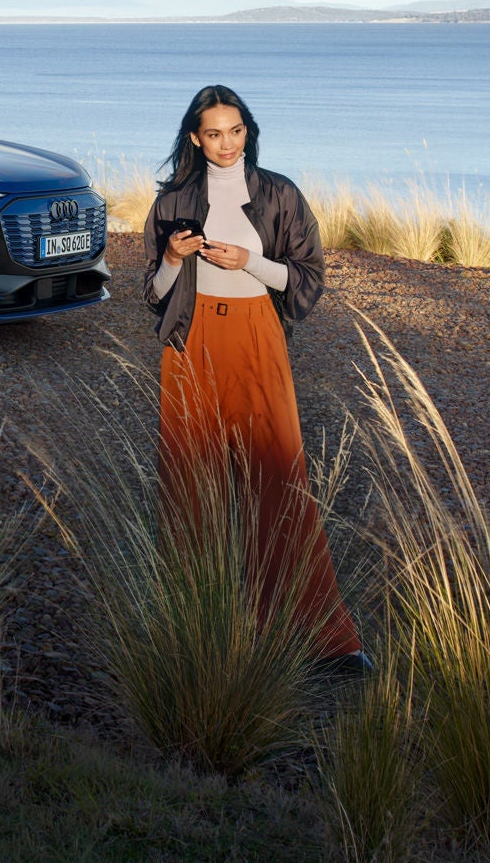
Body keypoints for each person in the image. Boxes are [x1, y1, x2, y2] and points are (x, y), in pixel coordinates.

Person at [143, 84, 369, 671]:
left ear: (248, 131)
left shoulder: (278, 195)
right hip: (191, 344)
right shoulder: (172, 200)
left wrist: (252, 264)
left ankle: (323, 636)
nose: (226, 143)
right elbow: (153, 294)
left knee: (277, 473)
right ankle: (195, 625)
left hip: (255, 335)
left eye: (235, 130)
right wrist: (172, 260)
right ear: (195, 137)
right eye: (213, 133)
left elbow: (308, 278)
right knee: (190, 477)